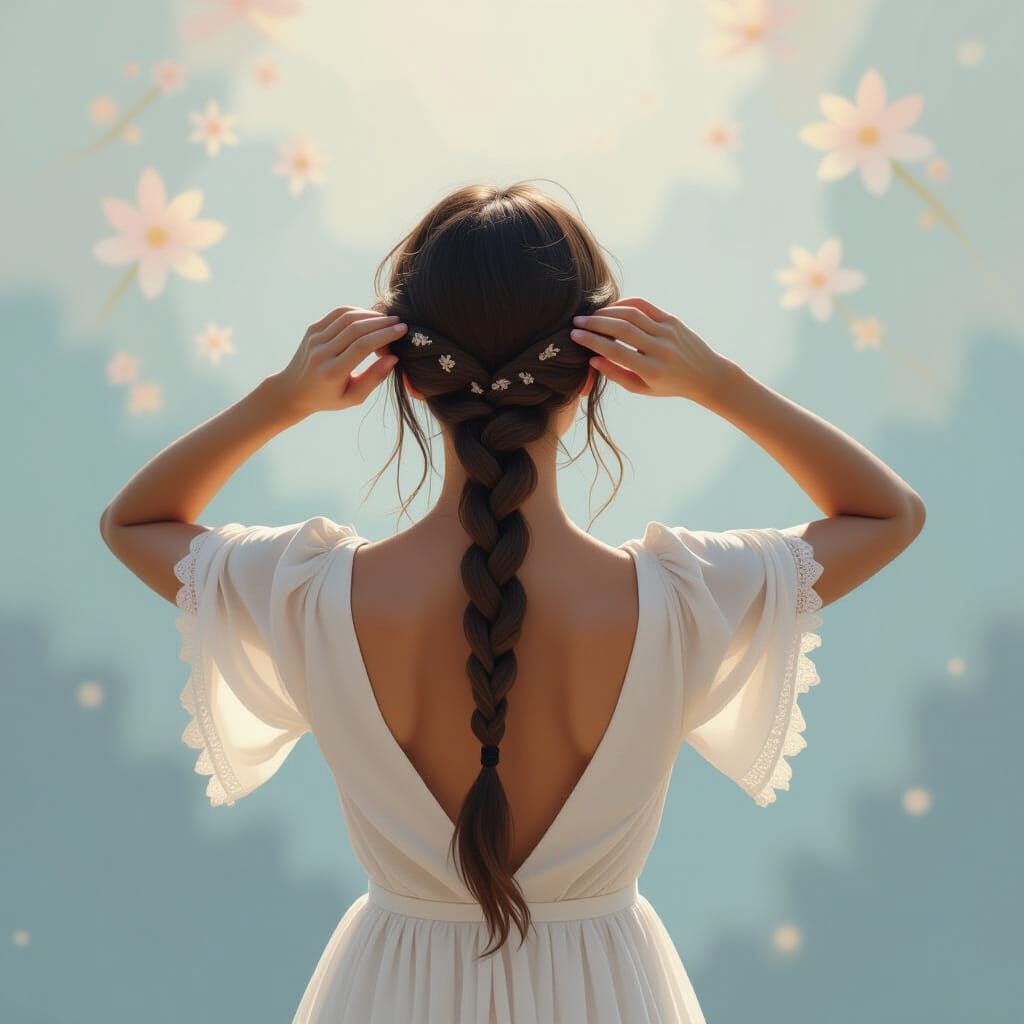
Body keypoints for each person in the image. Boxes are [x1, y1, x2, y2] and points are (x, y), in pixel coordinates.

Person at [100, 182, 926, 1023]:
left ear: (411, 379)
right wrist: (720, 382)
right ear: (596, 372)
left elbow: (135, 522)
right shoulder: (681, 601)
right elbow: (887, 513)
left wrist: (280, 398)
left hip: (388, 991)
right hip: (607, 992)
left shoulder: (312, 596)